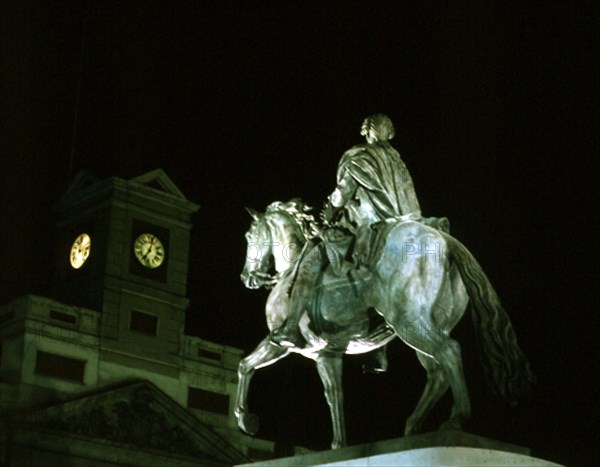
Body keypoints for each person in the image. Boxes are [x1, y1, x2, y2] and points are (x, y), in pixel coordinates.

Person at [272, 115, 444, 368]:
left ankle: (289, 327)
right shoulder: (396, 159)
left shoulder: (361, 156)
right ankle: (379, 348)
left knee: (308, 263)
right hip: (407, 222)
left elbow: (344, 191)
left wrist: (330, 209)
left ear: (368, 132)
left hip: (371, 224)